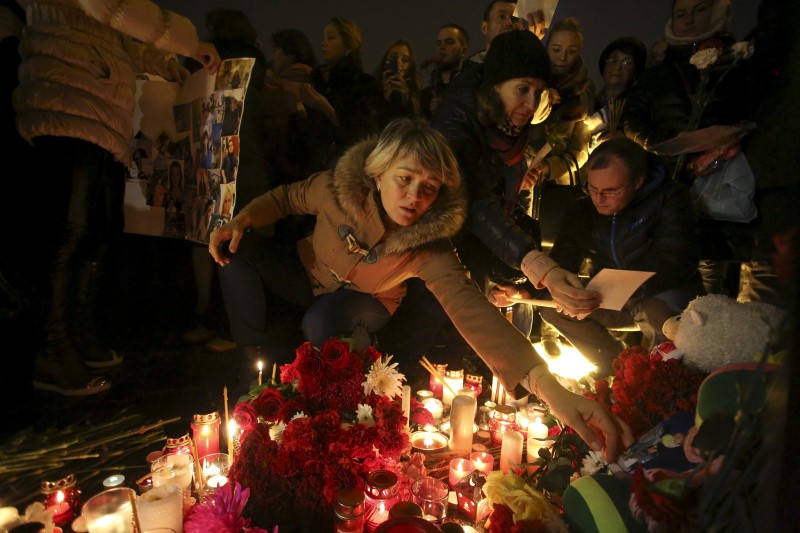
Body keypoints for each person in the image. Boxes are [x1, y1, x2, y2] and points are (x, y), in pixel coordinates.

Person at [210, 117, 633, 462]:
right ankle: (250, 364)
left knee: (321, 320)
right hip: (311, 273)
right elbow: (286, 197)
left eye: (428, 188)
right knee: (236, 254)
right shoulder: (334, 190)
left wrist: (549, 388)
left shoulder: (428, 245)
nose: (414, 197)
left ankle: (336, 406)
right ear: (377, 173)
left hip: (367, 300)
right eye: (405, 179)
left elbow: (468, 305)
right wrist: (241, 221)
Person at [12, 0, 220, 396]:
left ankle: (76, 332)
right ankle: (51, 347)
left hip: (96, 106)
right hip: (68, 100)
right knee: (68, 233)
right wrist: (188, 41)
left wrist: (170, 67)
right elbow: (119, 8)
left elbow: (121, 37)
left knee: (96, 233)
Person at [378, 30, 595, 369]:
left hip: (470, 230)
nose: (531, 103)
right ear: (496, 84)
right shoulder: (458, 121)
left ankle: (441, 376)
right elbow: (475, 199)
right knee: (431, 305)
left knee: (472, 301)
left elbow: (498, 192)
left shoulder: (506, 123)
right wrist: (539, 266)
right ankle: (381, 381)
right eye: (522, 89)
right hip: (430, 228)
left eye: (538, 92)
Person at [538, 137, 704, 376]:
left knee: (662, 315)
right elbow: (562, 261)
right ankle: (617, 367)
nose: (598, 199)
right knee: (557, 305)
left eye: (610, 191)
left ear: (638, 181)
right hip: (611, 296)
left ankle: (667, 380)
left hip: (659, 292)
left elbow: (676, 259)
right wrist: (534, 289)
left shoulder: (669, 198)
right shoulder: (583, 209)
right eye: (592, 189)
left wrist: (632, 287)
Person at [312, 17, 381, 162]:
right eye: (323, 38)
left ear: (349, 45)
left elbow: (360, 134)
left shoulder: (362, 84)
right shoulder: (316, 79)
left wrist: (326, 109)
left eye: (331, 38)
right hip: (313, 165)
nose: (323, 43)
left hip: (344, 166)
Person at [585, 36, 648, 153]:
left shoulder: (637, 109)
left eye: (627, 62)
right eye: (613, 60)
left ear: (636, 72)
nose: (618, 67)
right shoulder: (588, 104)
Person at [420, 23, 470, 120]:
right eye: (439, 43)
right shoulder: (425, 96)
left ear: (463, 51)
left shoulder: (472, 90)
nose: (441, 47)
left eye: (449, 42)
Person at [374, 39, 422, 127]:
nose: (398, 62)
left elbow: (417, 128)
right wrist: (383, 100)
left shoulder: (417, 92)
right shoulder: (371, 88)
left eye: (405, 60)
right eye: (393, 58)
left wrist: (407, 103)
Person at [467, 0, 520, 64]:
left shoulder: (532, 65)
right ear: (484, 28)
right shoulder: (467, 71)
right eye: (502, 16)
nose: (509, 23)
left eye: (514, 18)